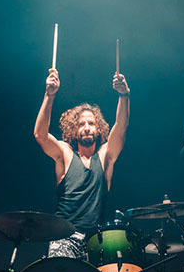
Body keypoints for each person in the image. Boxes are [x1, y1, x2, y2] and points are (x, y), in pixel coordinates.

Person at [34, 68, 130, 260]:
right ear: (74, 130)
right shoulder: (65, 153)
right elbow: (40, 135)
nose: (86, 128)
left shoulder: (105, 156)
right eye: (81, 124)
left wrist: (124, 95)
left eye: (91, 123)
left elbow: (120, 127)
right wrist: (49, 95)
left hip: (96, 240)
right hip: (63, 237)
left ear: (98, 128)